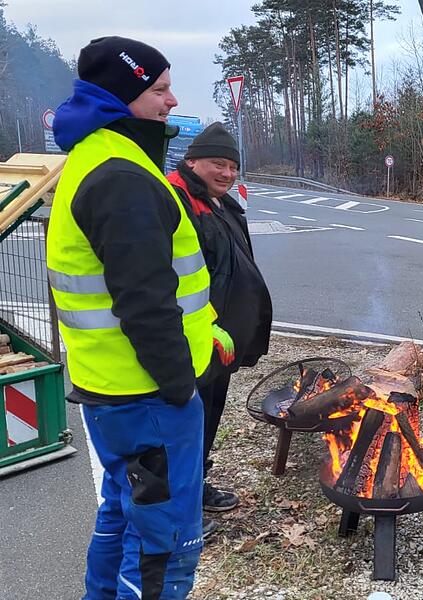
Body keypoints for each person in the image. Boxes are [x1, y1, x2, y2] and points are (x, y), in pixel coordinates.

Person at [47, 36, 227, 599]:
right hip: (148, 395)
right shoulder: (122, 177)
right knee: (165, 550)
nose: (172, 101)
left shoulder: (99, 159)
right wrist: (179, 385)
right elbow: (145, 302)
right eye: (160, 89)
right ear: (123, 95)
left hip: (116, 388)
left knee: (124, 518)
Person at [166, 123, 273, 532]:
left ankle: (197, 485)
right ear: (192, 161)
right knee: (184, 424)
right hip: (191, 339)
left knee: (207, 417)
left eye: (232, 166)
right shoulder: (176, 201)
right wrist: (208, 327)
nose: (227, 173)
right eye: (218, 164)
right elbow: (171, 279)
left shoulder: (218, 203)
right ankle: (180, 512)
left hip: (218, 340)